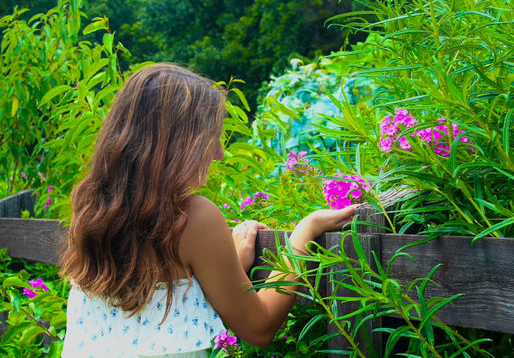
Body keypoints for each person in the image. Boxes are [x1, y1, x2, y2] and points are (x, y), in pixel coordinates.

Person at [60, 63, 355, 357]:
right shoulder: (192, 217)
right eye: (209, 137)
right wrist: (305, 232)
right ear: (174, 142)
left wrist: (231, 267)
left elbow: (150, 304)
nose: (219, 153)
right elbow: (260, 327)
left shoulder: (89, 207)